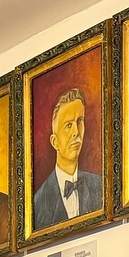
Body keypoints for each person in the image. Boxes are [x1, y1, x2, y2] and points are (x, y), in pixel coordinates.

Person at [32, 89, 104, 230]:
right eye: (68, 125)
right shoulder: (38, 203)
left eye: (80, 121)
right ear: (55, 142)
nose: (76, 132)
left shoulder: (99, 185)